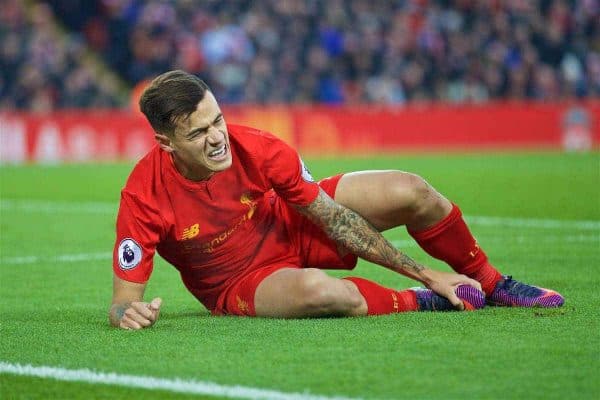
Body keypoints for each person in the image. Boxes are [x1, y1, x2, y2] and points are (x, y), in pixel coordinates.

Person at [109, 70, 564, 330]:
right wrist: (128, 313)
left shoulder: (261, 147)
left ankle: (492, 283)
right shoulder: (143, 197)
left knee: (412, 190)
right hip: (240, 282)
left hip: (291, 225)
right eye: (199, 132)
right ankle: (418, 301)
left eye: (218, 121)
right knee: (318, 292)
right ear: (166, 143)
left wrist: (429, 271)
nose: (217, 139)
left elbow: (334, 219)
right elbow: (121, 302)